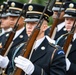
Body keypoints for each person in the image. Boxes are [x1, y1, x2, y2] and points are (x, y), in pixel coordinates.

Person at [13, 4, 66, 75]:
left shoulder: (54, 52)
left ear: (44, 27)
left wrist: (34, 70)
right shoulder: (18, 49)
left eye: (33, 23)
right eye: (27, 23)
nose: (29, 26)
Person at [0, 1, 28, 75]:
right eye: (10, 16)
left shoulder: (27, 38)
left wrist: (7, 64)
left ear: (24, 19)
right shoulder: (4, 36)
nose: (11, 19)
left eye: (15, 17)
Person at [55, 2, 76, 75]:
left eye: (72, 19)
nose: (68, 22)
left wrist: (69, 66)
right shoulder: (61, 39)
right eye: (67, 19)